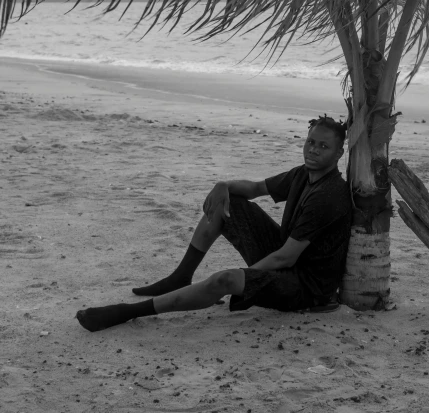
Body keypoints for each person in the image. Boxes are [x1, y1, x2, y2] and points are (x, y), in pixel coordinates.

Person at [76, 115, 352, 332]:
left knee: (225, 279)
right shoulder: (302, 174)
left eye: (323, 146)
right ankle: (181, 276)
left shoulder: (328, 195)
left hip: (306, 288)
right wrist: (223, 185)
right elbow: (255, 188)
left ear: (339, 154)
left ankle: (127, 312)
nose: (314, 150)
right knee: (226, 202)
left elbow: (284, 257)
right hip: (286, 260)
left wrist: (247, 279)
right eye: (310, 142)